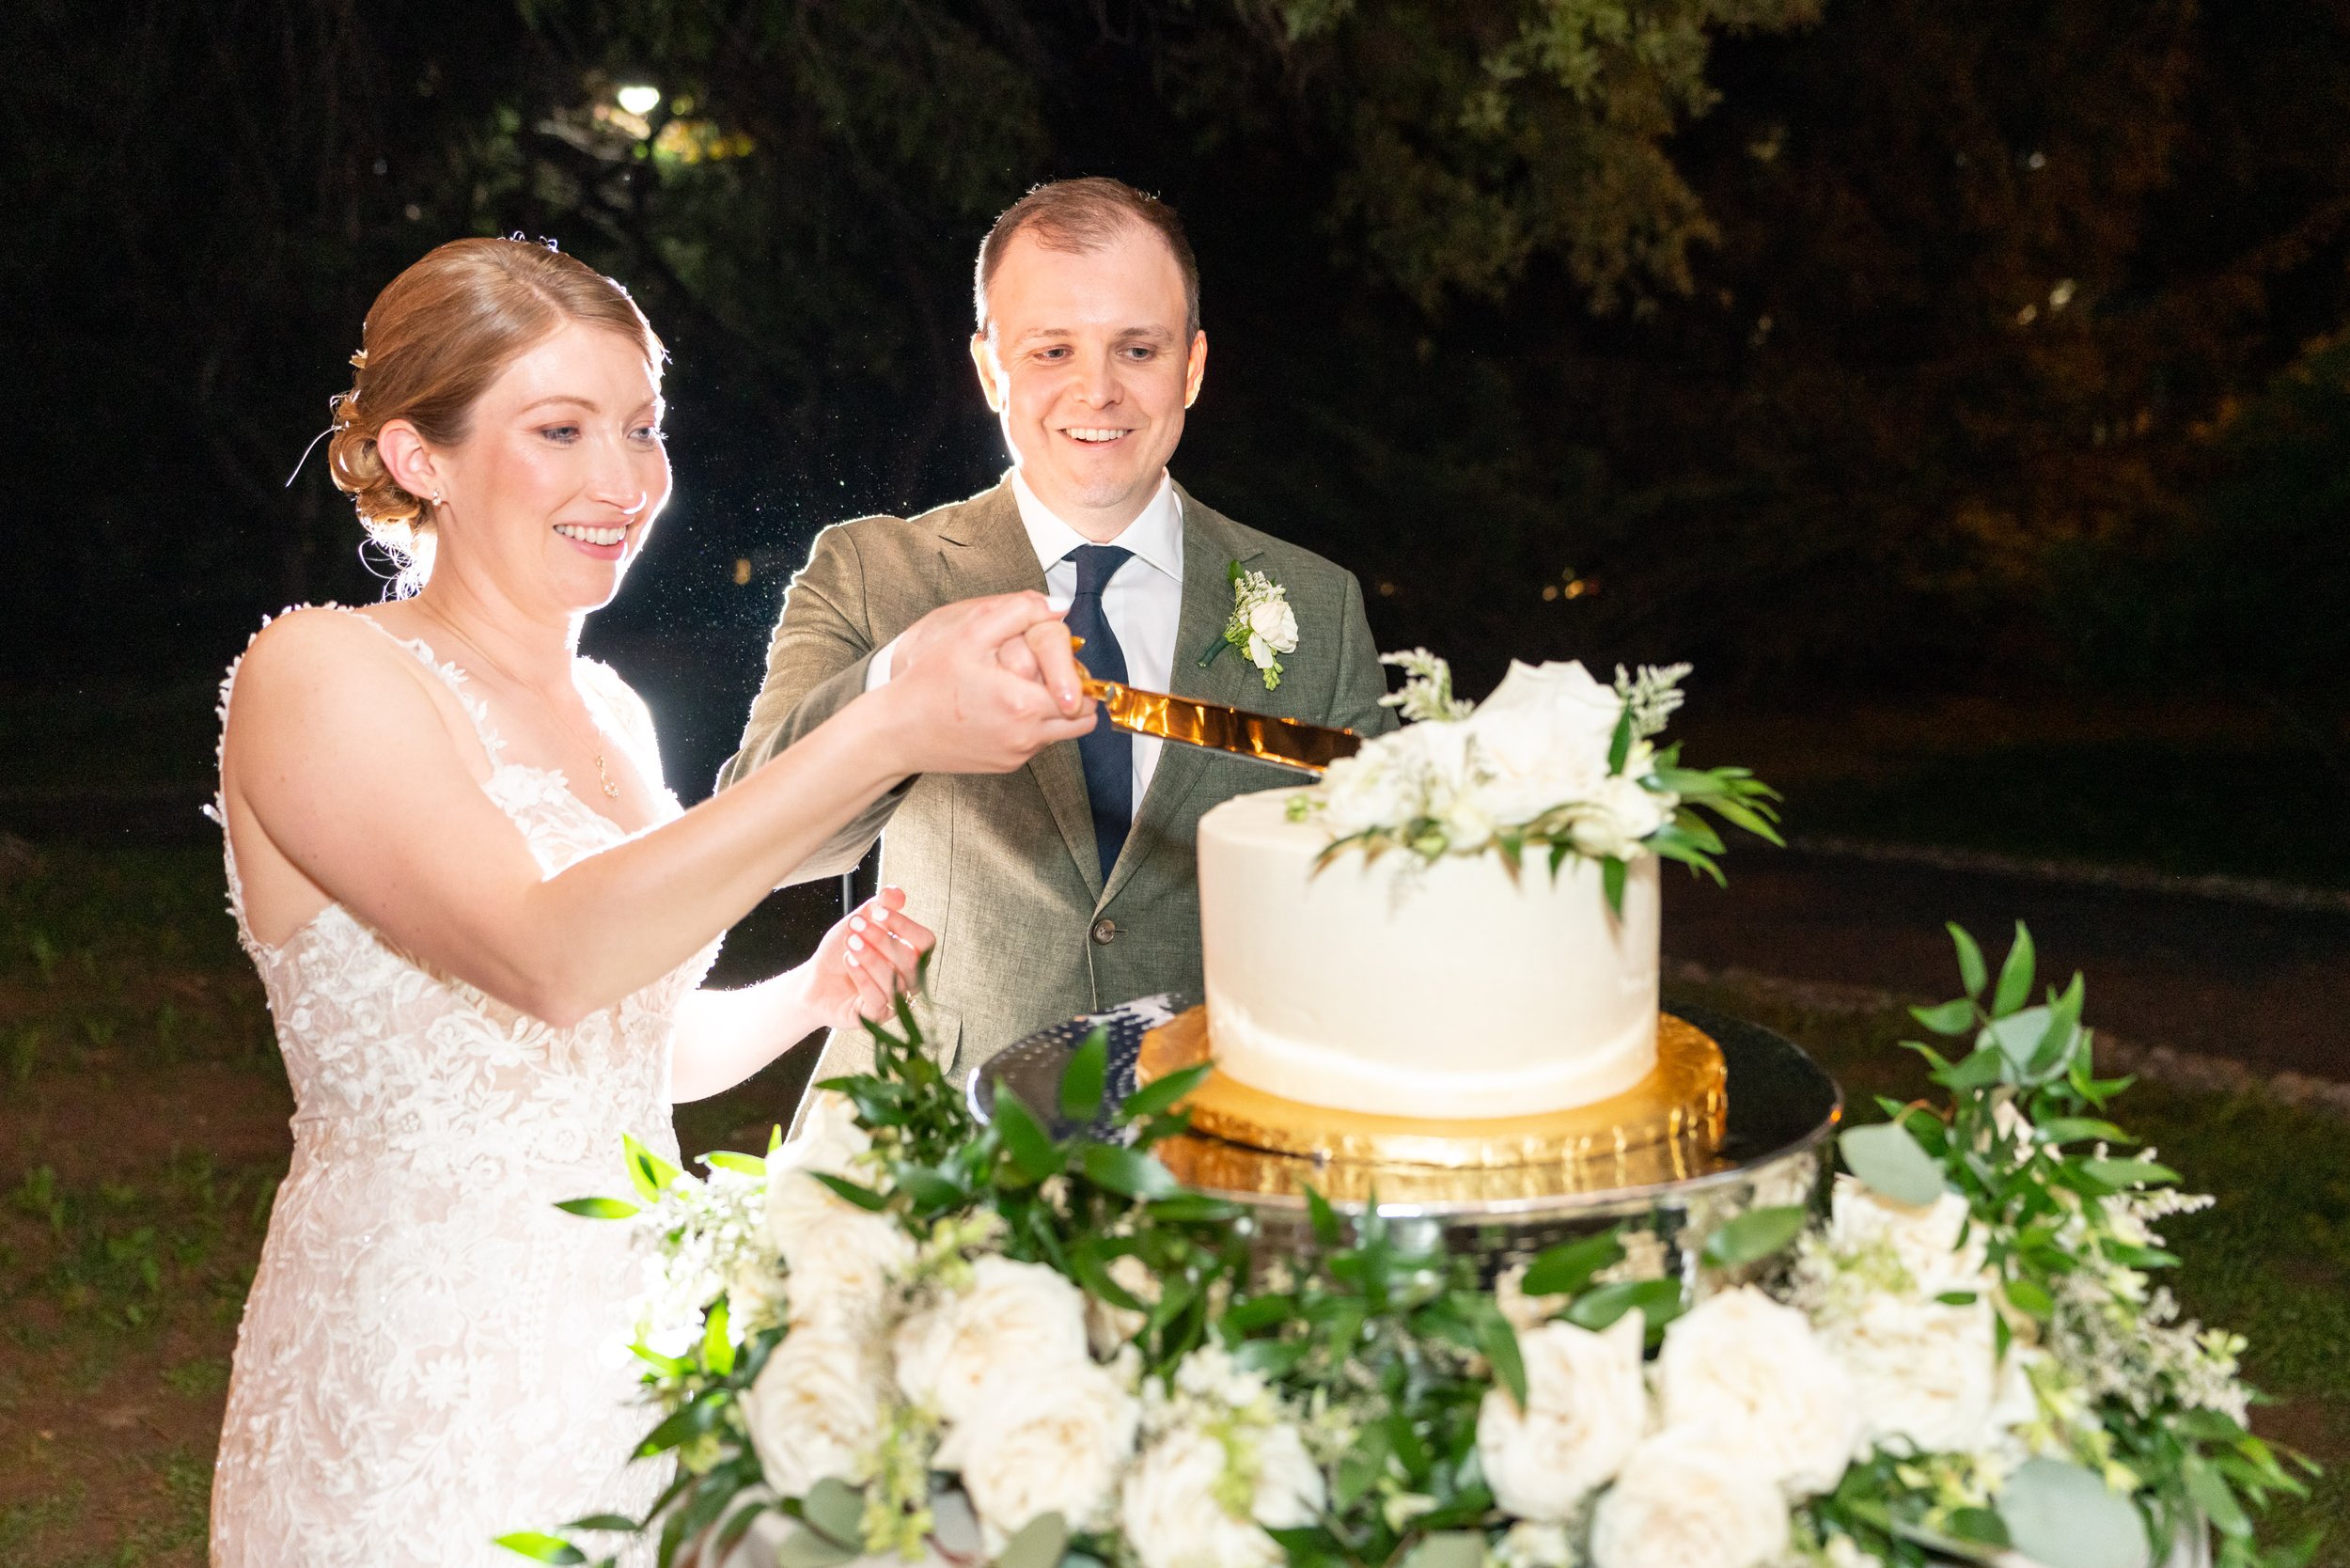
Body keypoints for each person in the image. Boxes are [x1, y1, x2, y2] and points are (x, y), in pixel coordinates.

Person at [206, 237, 1092, 1567]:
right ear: (416, 458)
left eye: (642, 428)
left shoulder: (613, 714)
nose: (622, 482)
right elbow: (541, 956)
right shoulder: (321, 673)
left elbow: (624, 1043)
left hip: (638, 1341)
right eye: (559, 431)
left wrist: (815, 990)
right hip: (424, 1375)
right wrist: (884, 726)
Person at [720, 177, 1395, 1093]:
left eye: (1137, 348)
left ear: (1190, 367)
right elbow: (763, 847)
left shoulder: (1317, 604)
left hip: (1216, 1161)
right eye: (1050, 349)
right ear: (990, 368)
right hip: (935, 1166)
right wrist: (898, 692)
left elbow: (1378, 901)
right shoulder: (871, 572)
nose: (1097, 389)